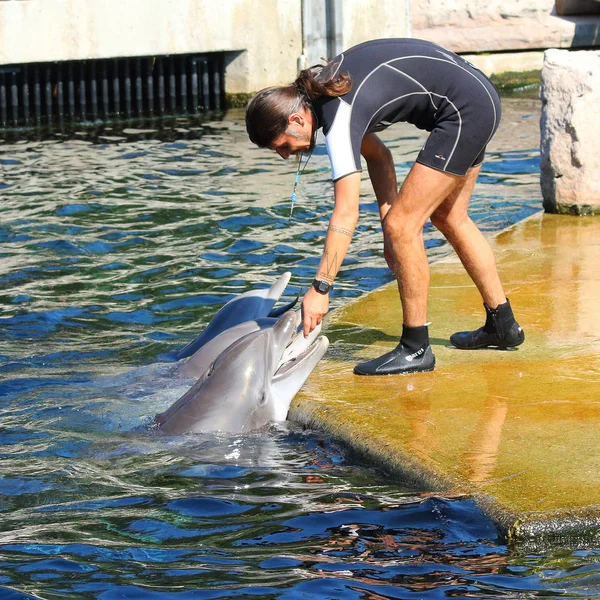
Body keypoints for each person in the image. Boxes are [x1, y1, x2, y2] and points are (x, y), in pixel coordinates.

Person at [245, 38, 524, 376]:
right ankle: (503, 325)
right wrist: (386, 223)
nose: (286, 155)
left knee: (404, 227)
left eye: (282, 146)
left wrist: (320, 288)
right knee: (449, 216)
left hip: (465, 110)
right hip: (478, 97)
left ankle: (415, 348)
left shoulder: (337, 115)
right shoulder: (328, 92)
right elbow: (380, 156)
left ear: (296, 120)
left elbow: (346, 211)